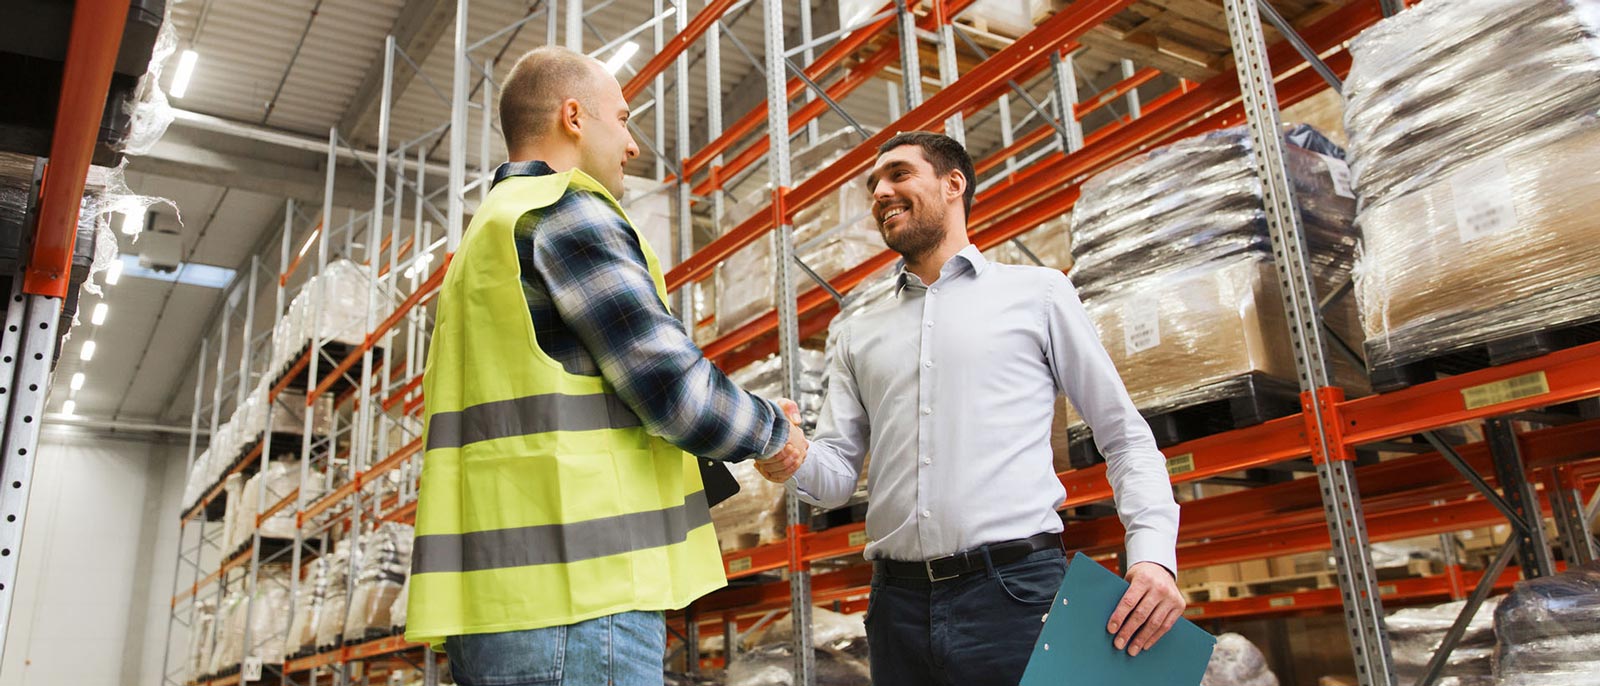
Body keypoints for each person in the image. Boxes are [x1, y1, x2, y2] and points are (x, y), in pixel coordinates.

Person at [404, 46, 808, 685]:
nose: (632, 145)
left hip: (497, 609)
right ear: (573, 116)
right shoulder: (564, 209)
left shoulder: (485, 238)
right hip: (580, 603)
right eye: (622, 119)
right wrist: (772, 434)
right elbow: (670, 387)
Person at [761, 131, 1184, 685]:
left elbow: (1125, 438)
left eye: (898, 174)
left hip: (1015, 594)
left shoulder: (1038, 294)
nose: (880, 193)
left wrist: (1152, 553)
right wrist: (786, 455)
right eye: (873, 186)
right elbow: (838, 476)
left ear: (953, 183)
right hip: (897, 607)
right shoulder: (857, 332)